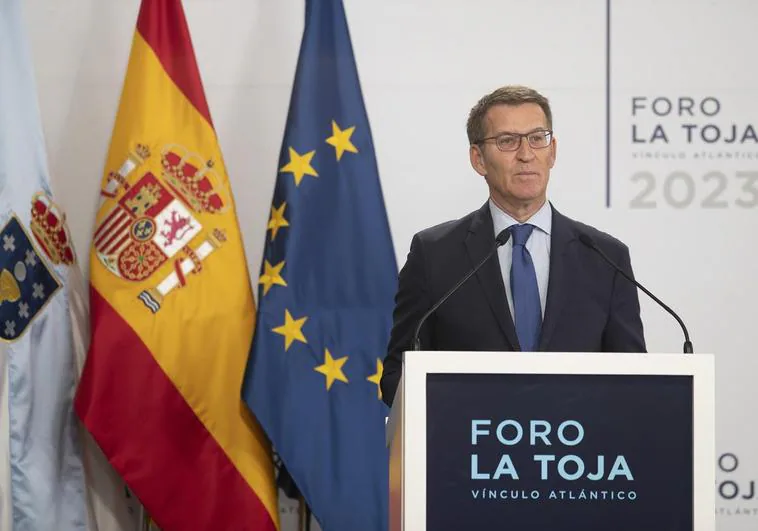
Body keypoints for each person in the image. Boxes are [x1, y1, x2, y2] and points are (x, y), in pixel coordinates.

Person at [380, 85, 646, 407]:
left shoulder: (605, 257)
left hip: (577, 448)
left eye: (537, 138)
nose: (526, 154)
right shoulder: (434, 255)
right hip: (471, 447)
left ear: (553, 152)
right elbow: (399, 375)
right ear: (478, 159)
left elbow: (636, 378)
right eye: (507, 141)